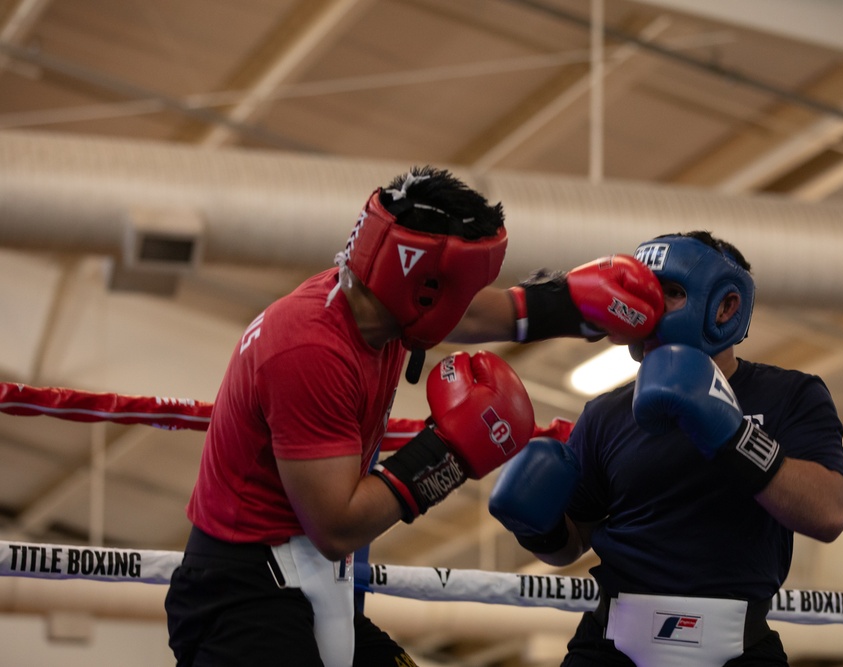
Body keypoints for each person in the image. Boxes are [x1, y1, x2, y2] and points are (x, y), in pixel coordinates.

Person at [164, 165, 666, 667]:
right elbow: (337, 526)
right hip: (246, 596)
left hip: (308, 574)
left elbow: (469, 311)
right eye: (459, 284)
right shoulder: (308, 348)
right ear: (424, 287)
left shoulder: (375, 307)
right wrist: (448, 452)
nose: (465, 300)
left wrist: (571, 304)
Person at [490, 230, 843, 667]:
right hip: (612, 646)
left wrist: (731, 433)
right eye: (645, 294)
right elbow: (569, 544)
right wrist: (536, 525)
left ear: (725, 306)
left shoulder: (788, 394)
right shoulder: (606, 413)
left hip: (737, 646)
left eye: (673, 294)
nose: (653, 310)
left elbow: (828, 513)